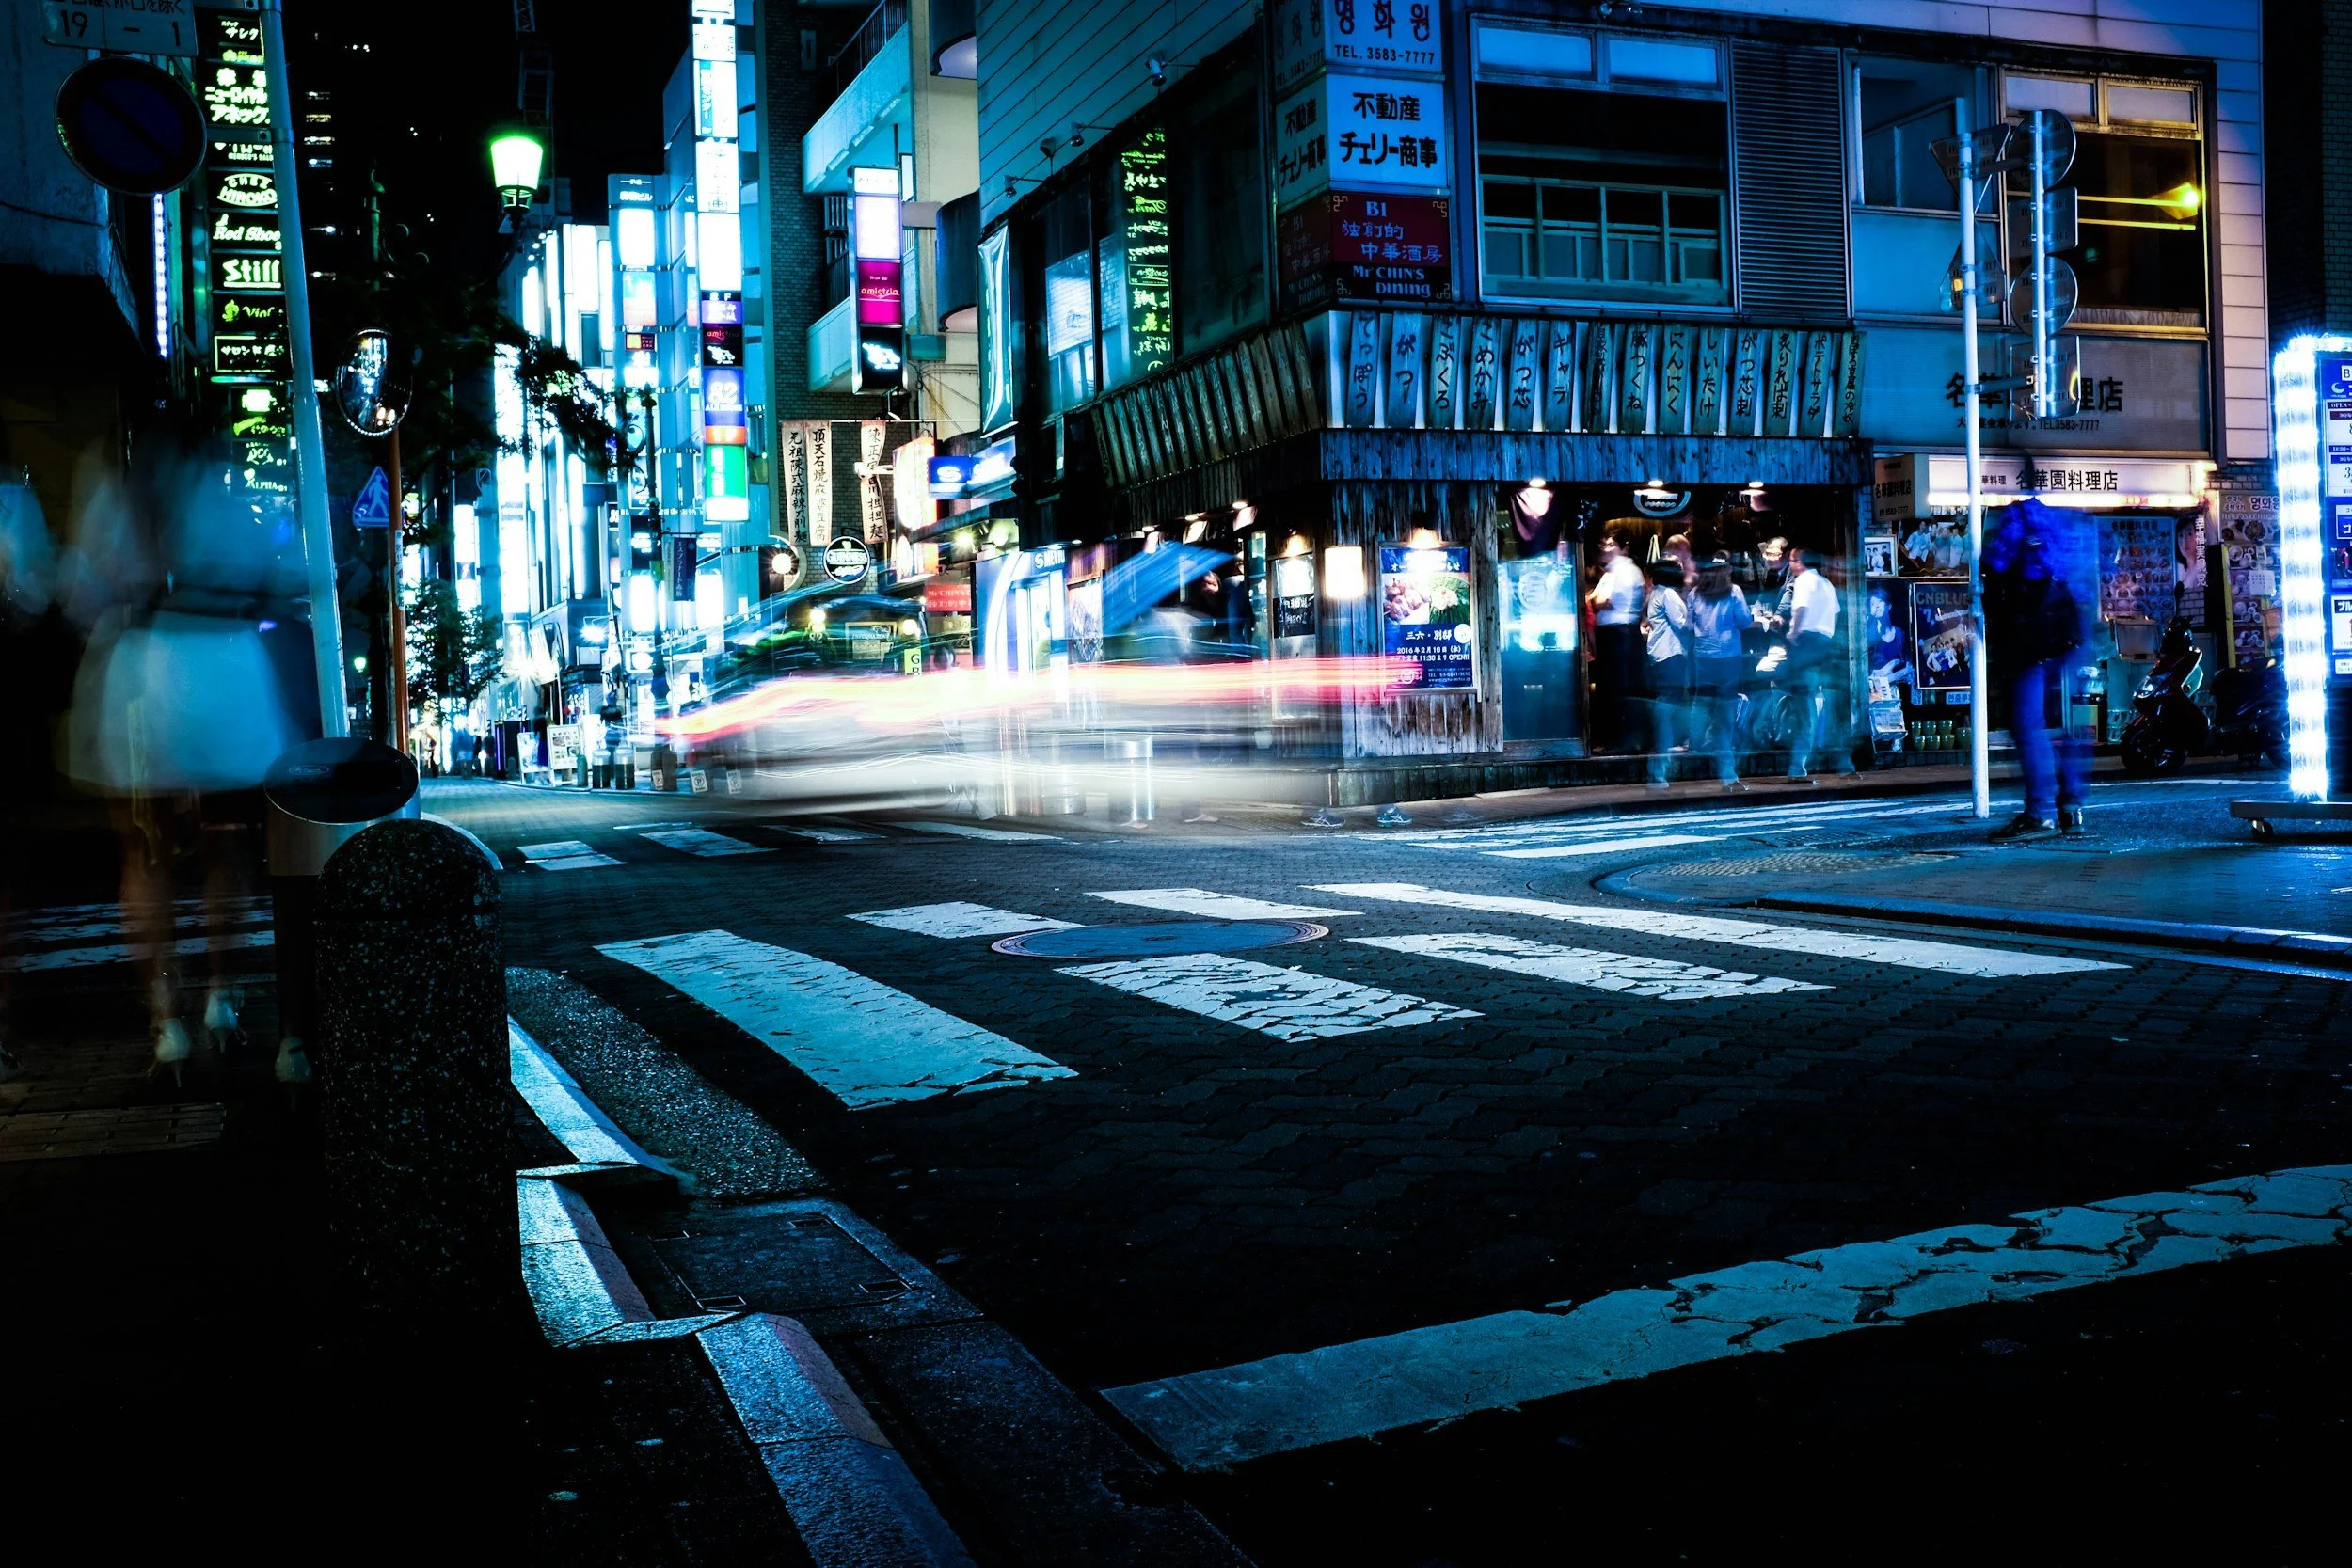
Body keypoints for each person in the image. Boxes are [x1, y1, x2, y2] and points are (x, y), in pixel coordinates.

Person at [1982, 493, 2092, 837]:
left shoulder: (2014, 521)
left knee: (2028, 726)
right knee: (2071, 729)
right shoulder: (2061, 522)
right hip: (2068, 632)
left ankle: (2040, 813)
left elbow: (1995, 565)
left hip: (2029, 639)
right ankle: (2071, 810)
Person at [1780, 548, 1851, 782]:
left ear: (1800, 563)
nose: (1790, 564)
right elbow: (1837, 614)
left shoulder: (1803, 581)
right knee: (1830, 706)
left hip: (1806, 645)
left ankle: (1798, 767)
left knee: (1805, 709)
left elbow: (1801, 608)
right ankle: (1843, 762)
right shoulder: (1826, 584)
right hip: (1825, 644)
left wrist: (1792, 633)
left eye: (1791, 560)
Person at [1690, 554, 1754, 790]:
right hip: (1728, 655)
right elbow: (1745, 621)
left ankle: (1695, 746)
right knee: (1725, 711)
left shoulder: (1695, 593)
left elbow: (1688, 623)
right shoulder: (1734, 592)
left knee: (1701, 702)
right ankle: (1727, 770)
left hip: (1703, 654)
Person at [1585, 529, 1645, 752]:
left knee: (1619, 689)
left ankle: (1623, 742)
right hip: (1614, 635)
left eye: (1611, 544)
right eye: (1605, 543)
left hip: (1620, 635)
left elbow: (1600, 601)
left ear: (1623, 548)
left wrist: (1596, 601)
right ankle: (1619, 740)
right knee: (1613, 688)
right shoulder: (1611, 573)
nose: (1605, 548)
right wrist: (1596, 601)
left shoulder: (1623, 571)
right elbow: (1596, 601)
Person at [1641, 558, 1691, 787]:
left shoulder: (1656, 593)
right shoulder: (1668, 594)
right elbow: (1682, 625)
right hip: (1671, 654)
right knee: (1668, 710)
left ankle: (1660, 766)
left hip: (1660, 655)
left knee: (1666, 709)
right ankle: (1659, 769)